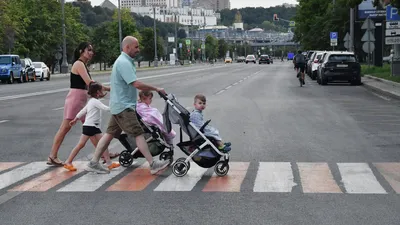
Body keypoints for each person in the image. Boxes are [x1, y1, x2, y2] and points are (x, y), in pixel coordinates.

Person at [85, 36, 170, 174]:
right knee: (138, 133)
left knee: (109, 135)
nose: (138, 49)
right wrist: (156, 88)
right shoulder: (124, 62)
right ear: (127, 47)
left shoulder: (124, 62)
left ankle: (94, 162)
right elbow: (135, 83)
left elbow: (120, 85)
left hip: (120, 105)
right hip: (124, 107)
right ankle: (153, 164)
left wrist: (107, 89)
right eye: (136, 47)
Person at [47, 42, 111, 166]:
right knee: (65, 128)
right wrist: (108, 89)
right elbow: (90, 83)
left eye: (92, 50)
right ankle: (52, 156)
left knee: (91, 128)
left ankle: (104, 154)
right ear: (81, 51)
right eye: (89, 50)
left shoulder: (83, 65)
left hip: (81, 99)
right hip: (76, 99)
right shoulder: (78, 64)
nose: (91, 53)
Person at [63, 82, 120, 172]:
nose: (102, 92)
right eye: (101, 90)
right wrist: (117, 108)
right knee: (102, 143)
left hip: (90, 126)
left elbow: (83, 111)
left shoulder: (91, 102)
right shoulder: (95, 102)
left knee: (85, 144)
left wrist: (75, 119)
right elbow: (105, 108)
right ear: (98, 92)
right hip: (91, 126)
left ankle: (109, 163)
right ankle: (68, 161)